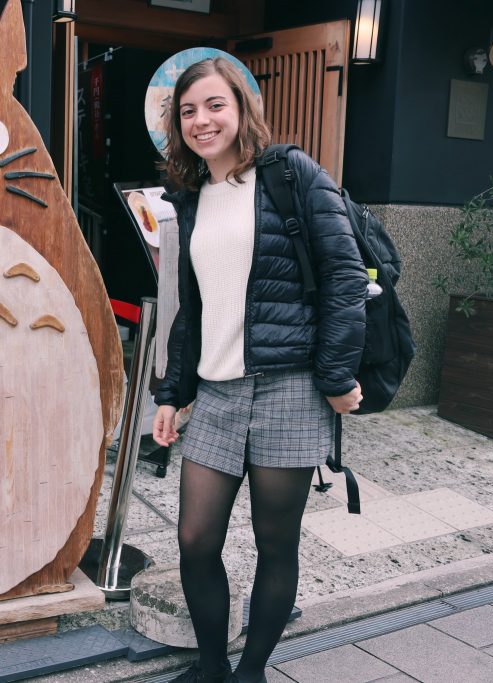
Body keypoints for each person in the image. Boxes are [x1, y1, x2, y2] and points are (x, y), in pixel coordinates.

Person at [152, 57, 367, 683]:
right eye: (188, 111)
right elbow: (191, 308)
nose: (202, 120)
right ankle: (212, 665)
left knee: (276, 544)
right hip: (217, 396)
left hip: (290, 388)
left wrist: (334, 377)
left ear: (243, 108)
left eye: (215, 105)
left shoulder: (290, 174)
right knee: (195, 540)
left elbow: (344, 277)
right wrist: (173, 392)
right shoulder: (190, 198)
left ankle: (251, 672)